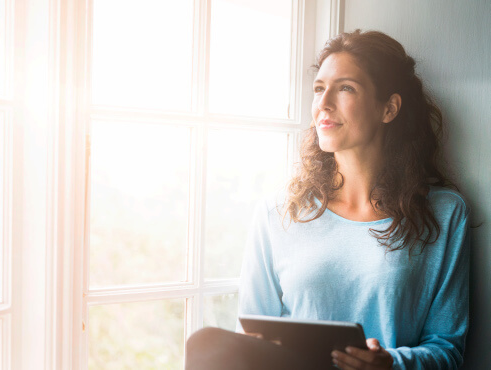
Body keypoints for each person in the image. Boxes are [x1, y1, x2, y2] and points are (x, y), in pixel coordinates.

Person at [186, 29, 470, 370]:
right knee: (207, 346)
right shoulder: (278, 213)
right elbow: (251, 338)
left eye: (345, 88)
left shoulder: (443, 213)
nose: (323, 103)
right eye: (319, 88)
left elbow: (448, 348)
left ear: (389, 108)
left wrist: (390, 364)